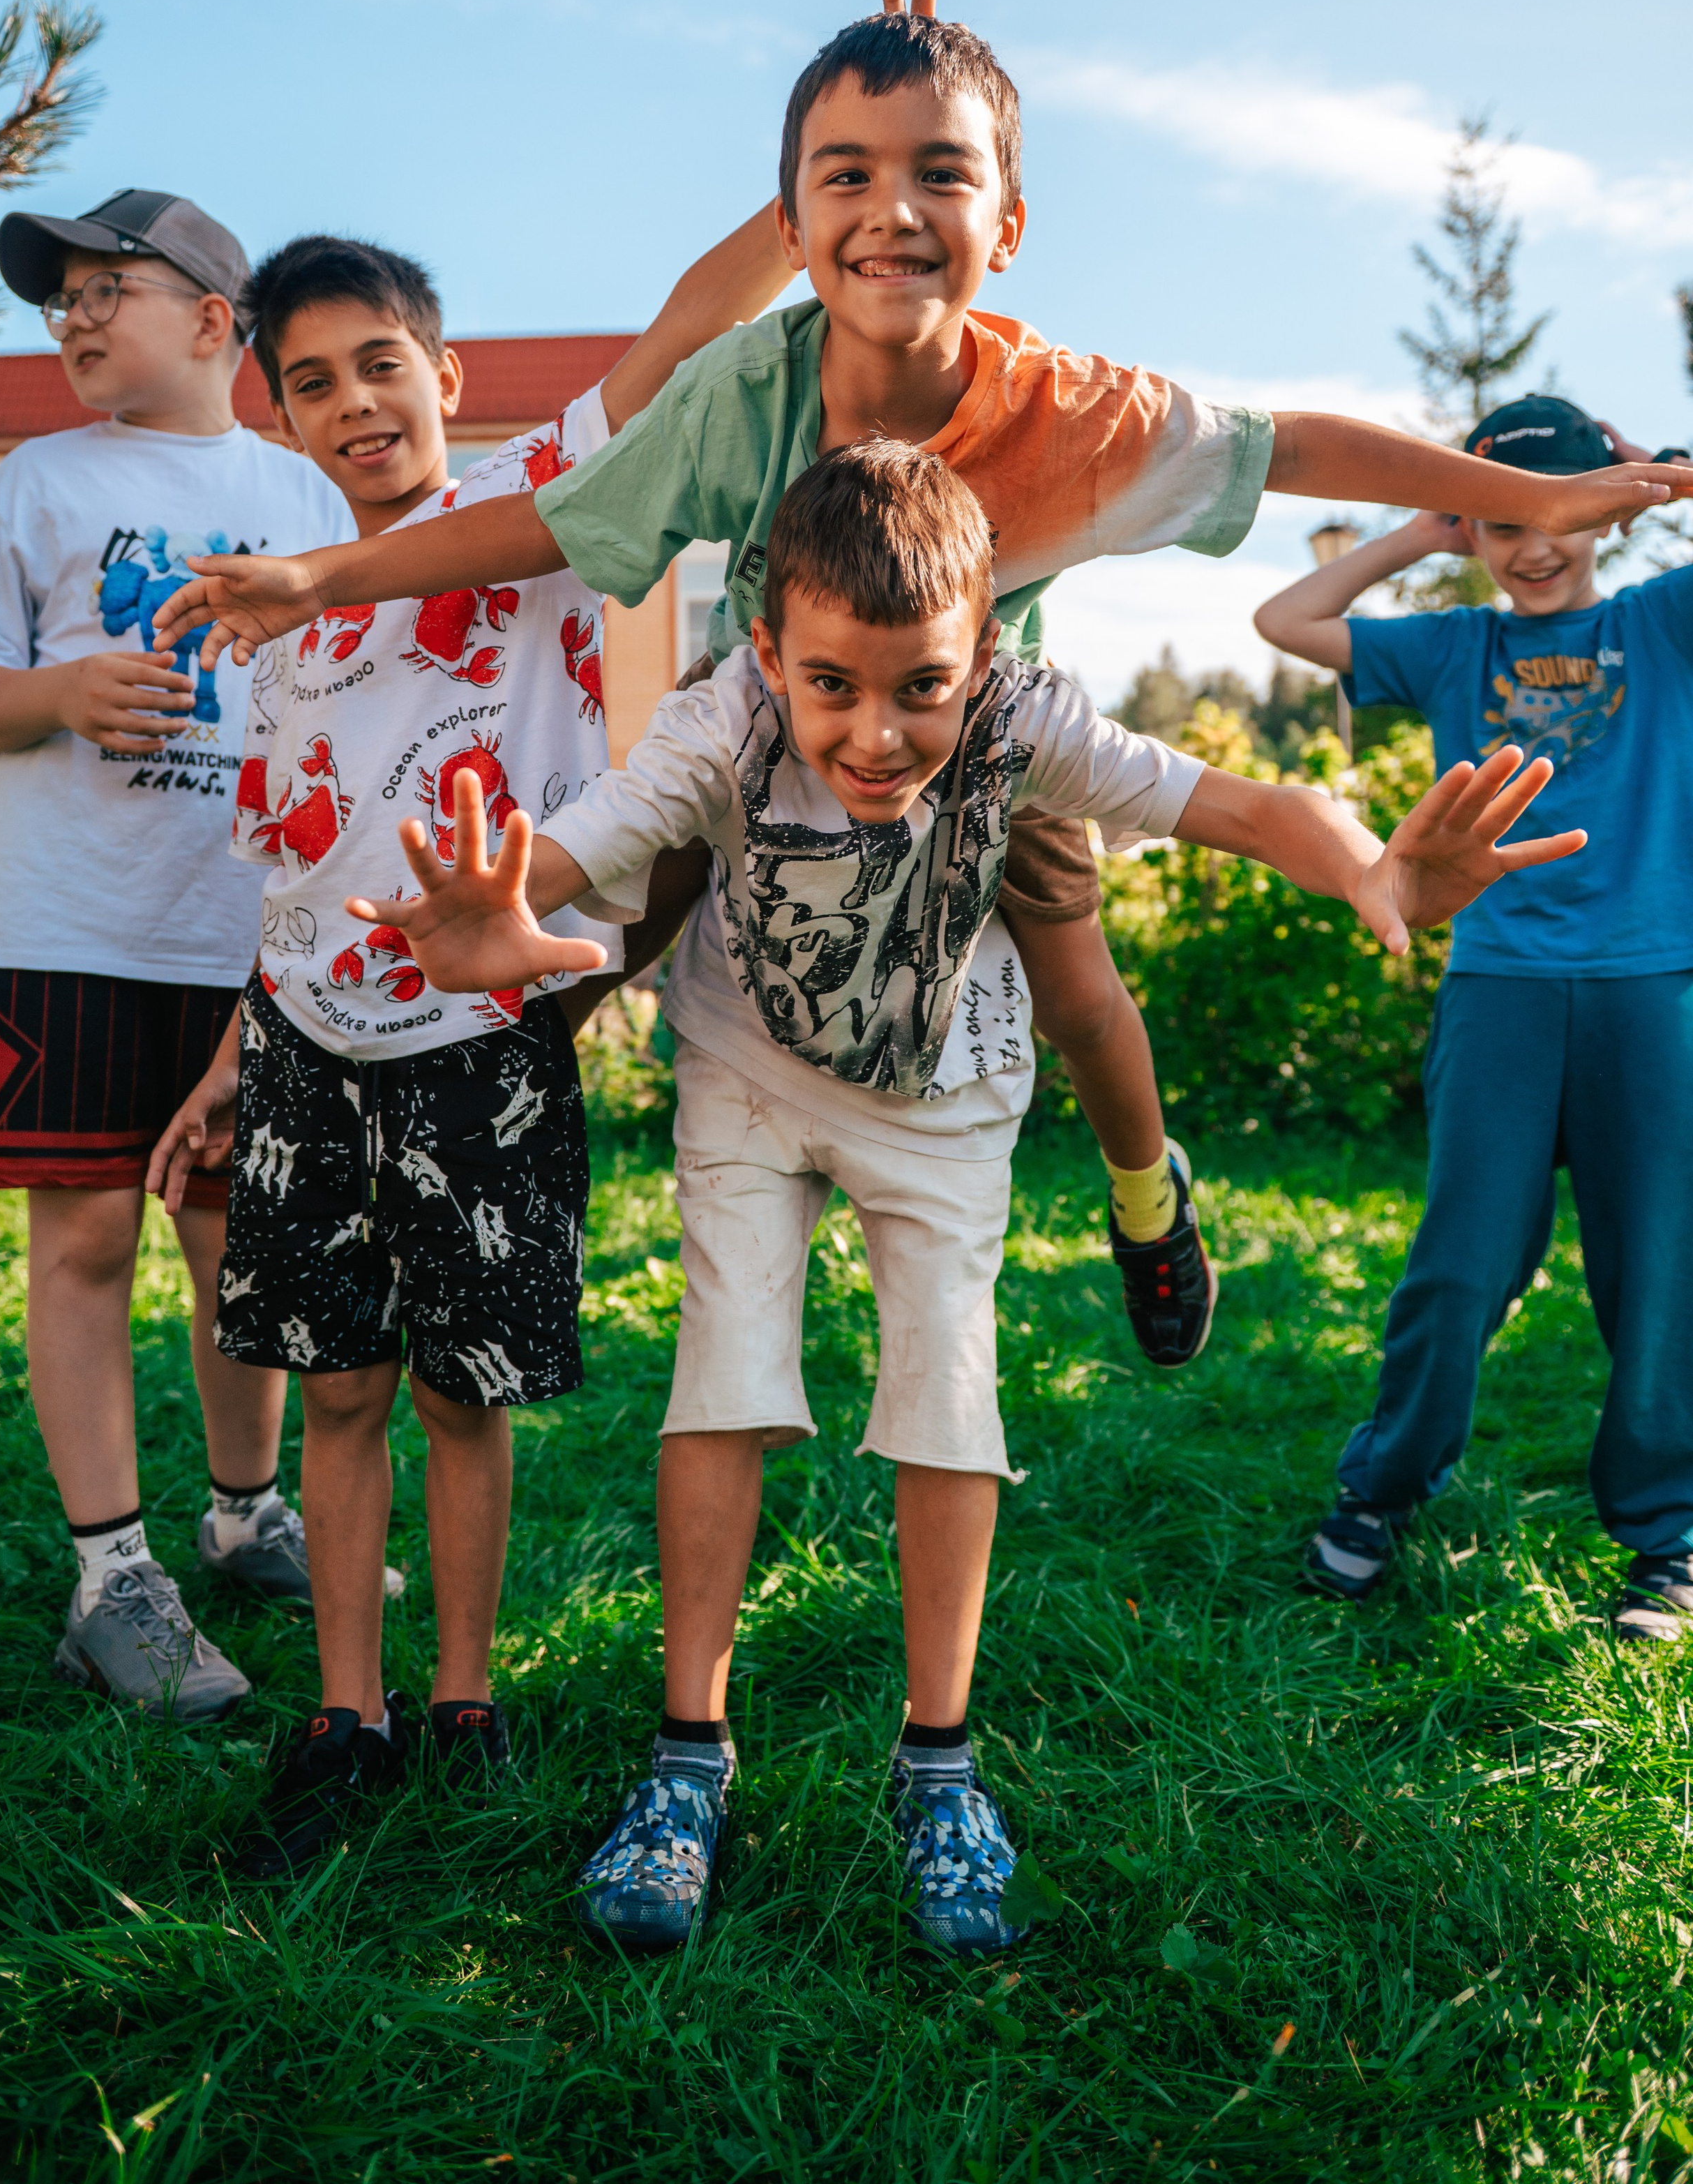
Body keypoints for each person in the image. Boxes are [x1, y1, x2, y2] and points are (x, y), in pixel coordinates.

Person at [151, 9, 1693, 1379]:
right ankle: (487, 1114)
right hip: (777, 715)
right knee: (631, 902)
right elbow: (550, 524)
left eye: (937, 174)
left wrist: (1519, 496)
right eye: (850, 176)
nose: (892, 211)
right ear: (797, 220)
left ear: (1004, 221)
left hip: (980, 727)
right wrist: (325, 578)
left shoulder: (1069, 413)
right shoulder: (743, 394)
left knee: (1071, 974)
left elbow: (1289, 447)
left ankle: (1146, 1193)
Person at [356, 439, 1580, 1952]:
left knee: (945, 1388)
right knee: (721, 1375)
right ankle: (688, 1755)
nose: (874, 735)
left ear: (983, 656)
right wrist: (506, 898)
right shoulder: (722, 713)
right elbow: (593, 839)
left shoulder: (1026, 717)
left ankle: (938, 1761)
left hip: (944, 1088)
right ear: (768, 653)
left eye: (919, 688)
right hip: (748, 1067)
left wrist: (1370, 870)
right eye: (832, 686)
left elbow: (1241, 804)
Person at [149, 211, 797, 1874]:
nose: (354, 403)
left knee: (458, 1396)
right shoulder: (276, 618)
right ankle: (344, 1712)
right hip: (305, 1049)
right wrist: (231, 1057)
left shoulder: (537, 503)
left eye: (380, 365)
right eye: (312, 383)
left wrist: (811, 200)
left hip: (481, 1047)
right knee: (339, 1390)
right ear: (281, 416)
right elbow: (288, 873)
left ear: (443, 377)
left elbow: (678, 327)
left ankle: (459, 1697)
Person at [0, 189, 359, 1719]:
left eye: (110, 287)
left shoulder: (305, 495)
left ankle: (247, 1516)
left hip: (245, 942)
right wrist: (61, 693)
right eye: (64, 298)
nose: (76, 317)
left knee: (237, 1241)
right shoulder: (35, 480)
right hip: (72, 932)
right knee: (89, 1241)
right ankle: (111, 1578)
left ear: (213, 320)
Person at [1253, 394, 1693, 1643]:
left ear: (1606, 519)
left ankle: (1669, 1538)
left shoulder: (1662, 623)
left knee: (1660, 1269)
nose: (1535, 545)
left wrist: (1659, 479)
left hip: (1653, 987)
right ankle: (1382, 1490)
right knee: (1460, 1264)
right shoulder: (1456, 648)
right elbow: (1286, 620)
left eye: (1562, 518)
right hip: (1498, 988)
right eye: (1506, 523)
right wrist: (1425, 526)